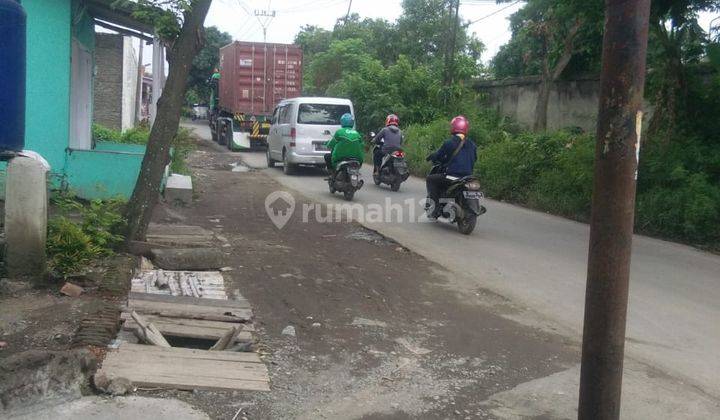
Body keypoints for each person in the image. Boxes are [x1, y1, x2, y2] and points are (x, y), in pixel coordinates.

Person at [425, 115, 477, 218]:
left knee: (431, 179)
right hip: (467, 177)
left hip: (452, 176)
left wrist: (432, 157)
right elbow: (474, 159)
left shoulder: (449, 142)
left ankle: (434, 210)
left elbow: (439, 155)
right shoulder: (472, 144)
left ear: (453, 127)